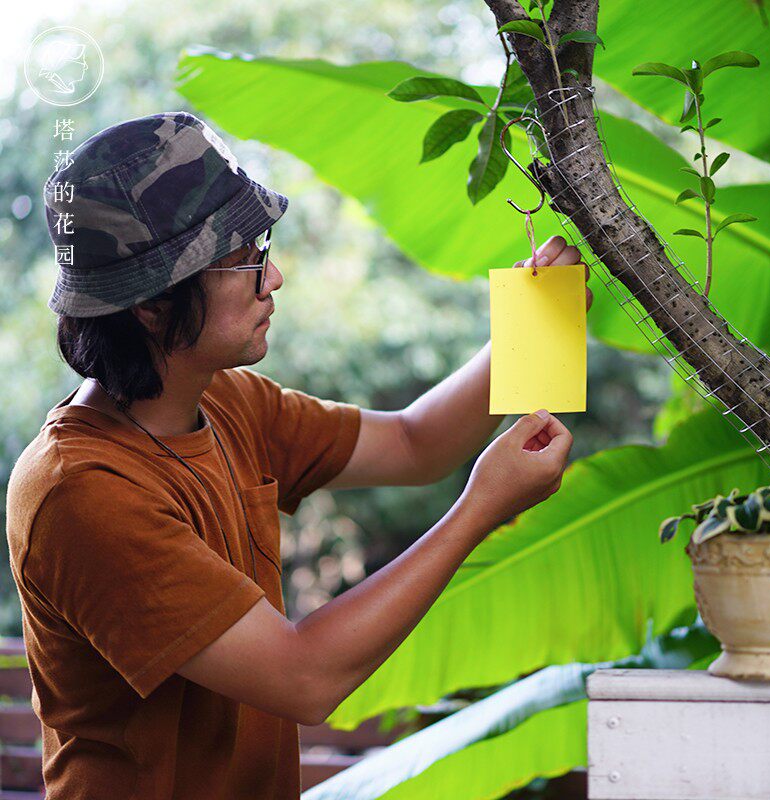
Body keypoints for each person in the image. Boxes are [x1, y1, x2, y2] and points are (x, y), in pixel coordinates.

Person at [5, 111, 590, 799]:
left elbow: (415, 444)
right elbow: (303, 678)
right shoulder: (80, 492)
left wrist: (531, 325)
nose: (273, 277)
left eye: (263, 246)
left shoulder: (224, 399)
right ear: (152, 308)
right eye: (243, 259)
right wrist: (480, 509)